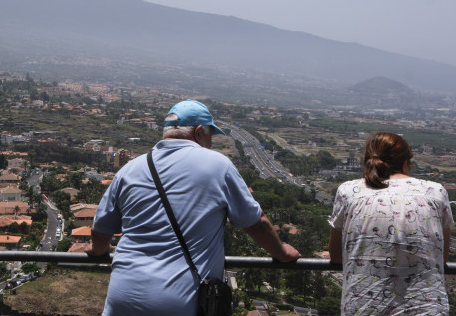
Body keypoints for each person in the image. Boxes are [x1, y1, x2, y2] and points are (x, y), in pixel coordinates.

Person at [85, 99, 301, 315]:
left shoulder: (130, 168)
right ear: (199, 132)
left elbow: (100, 229)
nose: (211, 142)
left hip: (123, 298)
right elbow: (256, 223)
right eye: (210, 135)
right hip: (179, 302)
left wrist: (98, 251)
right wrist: (282, 252)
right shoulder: (218, 165)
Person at [328, 132, 454, 315]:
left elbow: (336, 256)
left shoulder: (348, 190)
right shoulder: (435, 191)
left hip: (363, 307)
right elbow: (441, 257)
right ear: (406, 164)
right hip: (426, 308)